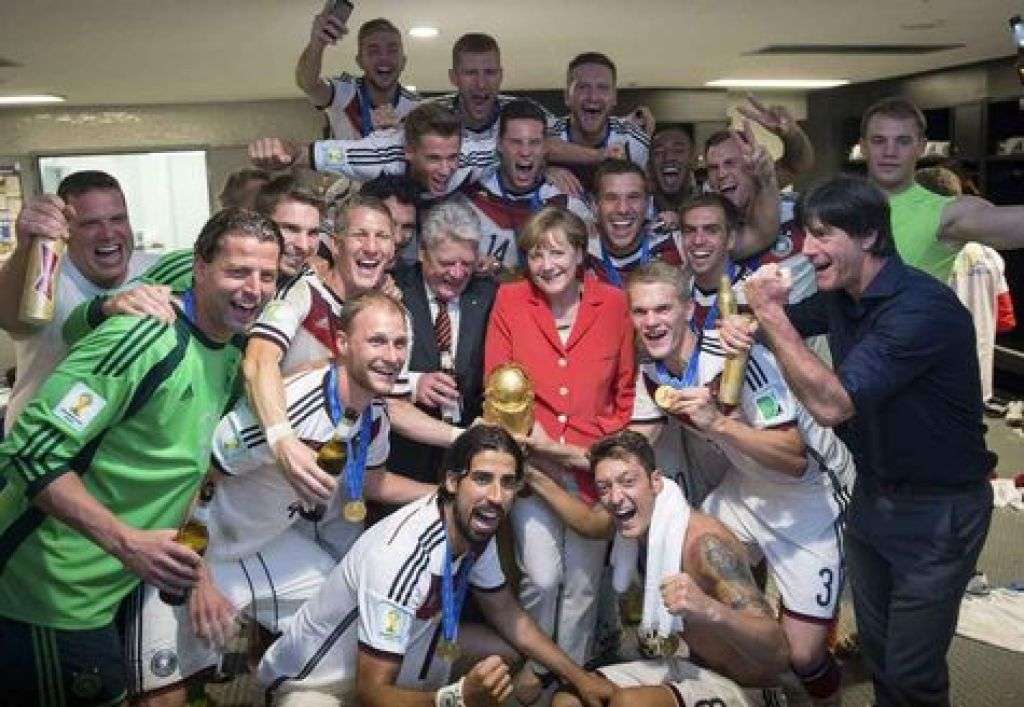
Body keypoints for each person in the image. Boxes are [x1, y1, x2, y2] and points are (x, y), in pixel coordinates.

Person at [722, 175, 995, 706]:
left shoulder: (921, 309)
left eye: (823, 235)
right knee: (878, 650)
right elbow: (779, 326)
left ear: (868, 236)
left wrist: (769, 314)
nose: (807, 249)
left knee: (913, 672)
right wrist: (746, 324)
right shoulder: (844, 296)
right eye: (805, 234)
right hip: (875, 496)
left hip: (939, 511)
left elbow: (830, 404)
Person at [0, 208, 282, 706]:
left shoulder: (233, 348)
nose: (253, 288)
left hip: (110, 588)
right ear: (197, 267)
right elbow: (29, 451)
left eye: (266, 275)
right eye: (237, 271)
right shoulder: (143, 338)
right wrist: (127, 541)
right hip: (46, 595)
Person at [129, 292, 435, 704]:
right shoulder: (291, 404)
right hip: (199, 546)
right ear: (343, 344)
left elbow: (374, 481)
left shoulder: (375, 415)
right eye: (377, 341)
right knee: (165, 696)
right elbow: (199, 477)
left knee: (349, 622)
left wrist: (444, 492)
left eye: (400, 344)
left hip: (269, 546)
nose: (392, 355)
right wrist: (197, 573)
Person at [257, 424, 616, 707]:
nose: (495, 496)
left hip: (406, 650)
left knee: (504, 654)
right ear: (452, 481)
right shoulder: (401, 556)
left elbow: (507, 612)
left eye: (507, 483)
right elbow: (371, 693)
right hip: (318, 683)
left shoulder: (475, 524)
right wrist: (457, 699)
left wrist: (577, 676)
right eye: (482, 479)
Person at [627, 260, 851, 705]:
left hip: (810, 500)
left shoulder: (738, 354)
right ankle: (740, 686)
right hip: (743, 492)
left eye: (662, 309)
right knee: (681, 555)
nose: (651, 322)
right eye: (640, 312)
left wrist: (718, 424)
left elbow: (793, 457)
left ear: (689, 309)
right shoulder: (652, 371)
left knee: (804, 656)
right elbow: (635, 444)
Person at [485, 205, 636, 673]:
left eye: (557, 253)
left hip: (593, 469)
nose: (547, 265)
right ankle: (535, 672)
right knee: (544, 577)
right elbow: (496, 380)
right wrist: (533, 438)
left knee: (585, 586)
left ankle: (569, 681)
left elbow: (625, 390)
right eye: (535, 255)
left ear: (579, 255)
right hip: (534, 464)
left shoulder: (613, 303)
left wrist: (599, 452)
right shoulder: (511, 300)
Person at [550, 431, 791, 707]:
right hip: (689, 666)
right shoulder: (634, 522)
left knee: (627, 705)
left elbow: (779, 652)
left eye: (628, 482)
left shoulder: (704, 545)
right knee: (569, 699)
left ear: (655, 482)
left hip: (750, 688)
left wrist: (709, 609)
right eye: (604, 487)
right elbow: (588, 524)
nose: (616, 497)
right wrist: (532, 475)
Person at [0, 171, 171, 430]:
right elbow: (10, 319)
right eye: (91, 223)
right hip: (39, 448)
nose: (108, 233)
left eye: (118, 219)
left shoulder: (161, 272)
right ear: (66, 231)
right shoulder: (43, 277)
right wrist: (25, 247)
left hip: (117, 453)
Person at [390, 200, 497, 488]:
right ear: (423, 253)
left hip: (470, 458)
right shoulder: (392, 290)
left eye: (467, 263)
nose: (458, 273)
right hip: (401, 455)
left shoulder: (491, 295)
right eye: (448, 263)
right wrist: (414, 384)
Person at [860, 97, 1024, 282]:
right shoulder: (831, 206)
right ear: (864, 146)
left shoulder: (944, 214)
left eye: (903, 141)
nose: (890, 151)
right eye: (879, 140)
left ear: (921, 147)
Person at [463, 99, 593, 274]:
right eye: (516, 142)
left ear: (546, 146)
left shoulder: (567, 201)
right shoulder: (470, 198)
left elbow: (590, 271)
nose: (525, 152)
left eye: (534, 142)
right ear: (499, 145)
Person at [249, 102, 477, 202]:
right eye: (434, 158)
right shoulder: (374, 156)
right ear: (409, 151)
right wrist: (283, 152)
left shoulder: (474, 156)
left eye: (452, 157)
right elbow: (307, 154)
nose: (446, 170)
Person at [296, 10, 419, 139]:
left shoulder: (415, 108)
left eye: (392, 51)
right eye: (374, 51)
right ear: (359, 61)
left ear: (404, 61)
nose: (384, 58)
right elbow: (307, 83)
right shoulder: (343, 92)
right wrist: (317, 43)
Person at [547, 52, 651, 195]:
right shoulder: (548, 132)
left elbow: (646, 199)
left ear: (614, 97)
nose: (593, 97)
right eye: (583, 87)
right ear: (566, 97)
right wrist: (543, 171)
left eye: (603, 87)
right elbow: (536, 149)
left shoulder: (634, 141)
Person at [584, 159, 684, 288]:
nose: (623, 209)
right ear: (594, 205)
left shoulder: (675, 246)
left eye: (633, 197)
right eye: (611, 198)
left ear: (647, 203)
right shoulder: (582, 254)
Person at [358, 173, 421, 265]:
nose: (398, 238)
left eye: (407, 227)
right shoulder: (332, 272)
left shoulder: (414, 277)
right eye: (390, 224)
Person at [648, 125, 697, 229]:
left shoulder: (712, 208)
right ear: (649, 164)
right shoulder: (636, 213)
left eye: (678, 150)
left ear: (693, 160)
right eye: (659, 152)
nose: (669, 157)